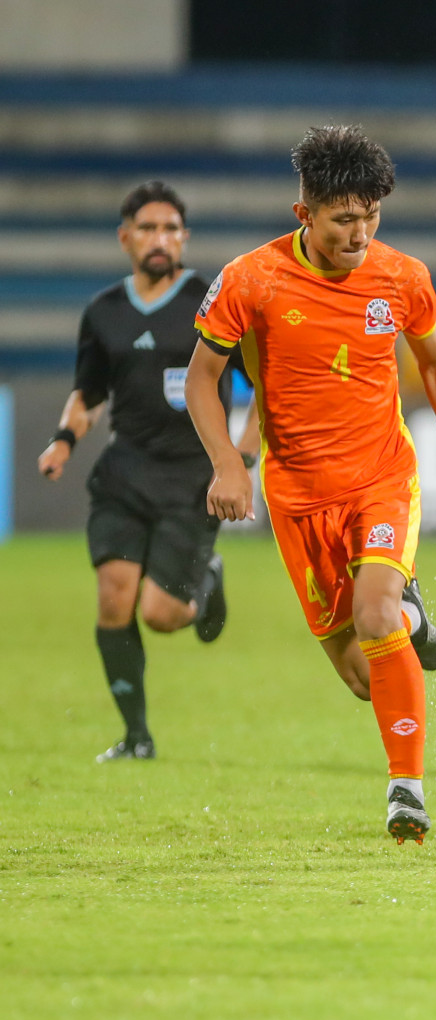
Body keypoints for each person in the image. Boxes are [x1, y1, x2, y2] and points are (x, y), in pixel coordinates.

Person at [184, 125, 436, 845]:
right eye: (344, 219)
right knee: (362, 673)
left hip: (382, 476)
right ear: (305, 214)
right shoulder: (250, 280)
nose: (361, 233)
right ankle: (415, 622)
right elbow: (202, 377)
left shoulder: (402, 277)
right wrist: (231, 461)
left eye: (372, 216)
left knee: (375, 611)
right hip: (298, 495)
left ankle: (406, 791)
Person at [37, 181, 257, 763]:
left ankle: (205, 579)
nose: (160, 240)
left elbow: (267, 387)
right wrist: (63, 441)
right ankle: (136, 736)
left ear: (184, 238)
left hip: (193, 476)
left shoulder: (214, 302)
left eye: (171, 229)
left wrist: (241, 458)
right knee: (114, 599)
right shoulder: (103, 312)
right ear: (125, 237)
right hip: (125, 471)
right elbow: (87, 392)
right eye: (148, 228)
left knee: (161, 616)